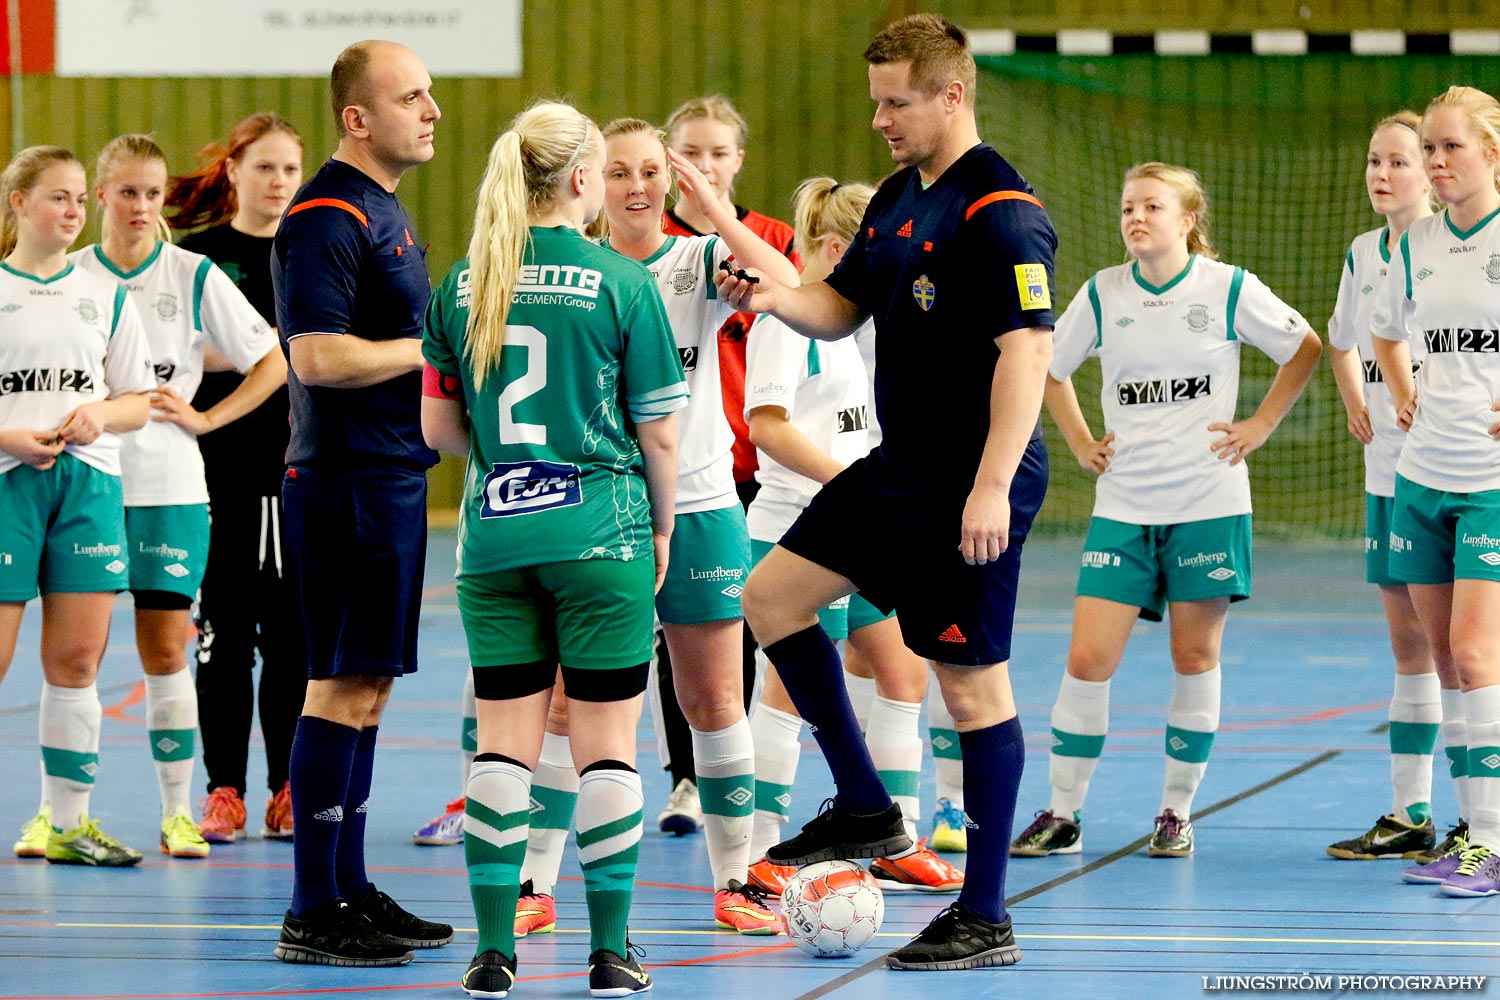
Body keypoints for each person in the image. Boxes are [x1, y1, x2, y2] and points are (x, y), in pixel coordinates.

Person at [719, 14, 1055, 970]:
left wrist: (990, 487)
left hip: (966, 485)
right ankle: (865, 803)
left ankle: (985, 915)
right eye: (876, 103)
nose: (880, 121)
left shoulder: (1003, 212)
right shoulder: (901, 199)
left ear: (953, 96)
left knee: (969, 688)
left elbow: (1025, 353)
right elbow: (835, 307)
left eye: (895, 103)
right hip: (897, 471)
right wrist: (767, 292)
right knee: (771, 598)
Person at [422, 99, 685, 998]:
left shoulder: (462, 283)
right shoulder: (623, 282)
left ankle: (492, 953)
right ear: (582, 180)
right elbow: (660, 432)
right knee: (608, 746)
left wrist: (508, 452)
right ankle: (610, 952)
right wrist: (661, 527)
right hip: (600, 534)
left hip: (493, 539)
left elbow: (440, 428)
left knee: (503, 750)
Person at [1009, 162, 1321, 860]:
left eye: (1153, 205)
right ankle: (1063, 813)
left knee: (1194, 653)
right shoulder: (1102, 293)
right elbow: (1048, 370)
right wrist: (1083, 439)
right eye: (1128, 207)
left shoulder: (1228, 288)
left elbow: (1305, 348)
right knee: (1088, 657)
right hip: (1123, 505)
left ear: (1188, 220)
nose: (1136, 217)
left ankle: (1176, 812)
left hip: (1207, 502)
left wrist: (1260, 425)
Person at [269, 39, 452, 965]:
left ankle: (346, 884)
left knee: (370, 686)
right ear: (357, 118)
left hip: (391, 474)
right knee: (339, 684)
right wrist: (432, 353)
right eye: (412, 97)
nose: (432, 111)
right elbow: (315, 357)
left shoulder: (386, 212)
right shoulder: (328, 218)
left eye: (430, 95)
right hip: (343, 484)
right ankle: (311, 909)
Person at [598, 116, 799, 935]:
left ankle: (737, 881)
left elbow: (784, 275)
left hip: (706, 501)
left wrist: (713, 206)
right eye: (619, 173)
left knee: (716, 695)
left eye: (652, 171)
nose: (639, 187)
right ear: (591, 182)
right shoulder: (579, 268)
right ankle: (536, 885)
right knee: (576, 707)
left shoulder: (695, 261)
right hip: (602, 503)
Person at [740, 176, 963, 897]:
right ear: (839, 250)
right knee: (787, 691)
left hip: (863, 527)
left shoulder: (864, 326)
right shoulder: (785, 326)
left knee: (902, 672)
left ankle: (890, 834)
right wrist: (849, 484)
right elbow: (767, 425)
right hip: (798, 528)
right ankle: (762, 854)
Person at [69, 134, 287, 860]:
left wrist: (206, 419)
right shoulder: (66, 279)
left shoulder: (192, 274)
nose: (139, 206)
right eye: (126, 191)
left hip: (169, 484)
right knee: (78, 655)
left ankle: (180, 810)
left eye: (152, 193)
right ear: (100, 195)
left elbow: (272, 361)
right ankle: (65, 816)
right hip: (86, 485)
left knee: (171, 646)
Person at [651, 96, 800, 833]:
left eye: (717, 152)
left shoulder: (767, 241)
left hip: (755, 470)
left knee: (735, 627)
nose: (703, 165)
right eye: (690, 152)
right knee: (668, 634)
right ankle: (684, 777)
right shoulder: (647, 245)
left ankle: (740, 786)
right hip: (662, 471)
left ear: (738, 159)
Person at [1, 146, 152, 866]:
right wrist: (8, 436)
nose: (70, 211)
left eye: (74, 200)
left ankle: (68, 823)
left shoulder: (104, 296)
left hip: (86, 483)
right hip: (8, 481)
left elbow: (137, 400)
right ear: (18, 204)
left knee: (77, 659)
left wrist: (100, 414)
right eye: (55, 197)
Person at [1373, 84, 1500, 897]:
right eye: (1432, 149)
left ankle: (1491, 842)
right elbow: (1385, 330)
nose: (1435, 161)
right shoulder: (1415, 244)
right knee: (1449, 665)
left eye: (1450, 147)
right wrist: (1401, 391)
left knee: (1478, 652)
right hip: (1422, 476)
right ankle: (1470, 836)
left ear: (1491, 153)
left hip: (1491, 484)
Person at [166, 113, 307, 845]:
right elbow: (184, 357)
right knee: (221, 636)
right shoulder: (199, 259)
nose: (279, 182)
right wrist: (248, 357)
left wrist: (247, 353)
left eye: (290, 169)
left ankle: (288, 787)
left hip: (295, 474)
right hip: (215, 472)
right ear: (234, 173)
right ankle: (225, 790)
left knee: (291, 639)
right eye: (264, 168)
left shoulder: (316, 252)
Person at [1326, 113, 1449, 862]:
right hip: (1389, 475)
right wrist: (1354, 402)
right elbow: (1341, 339)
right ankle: (1412, 813)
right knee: (1410, 647)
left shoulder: (1454, 251)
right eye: (1374, 160)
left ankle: (1480, 817)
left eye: (1397, 160)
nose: (1382, 173)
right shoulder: (1365, 254)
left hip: (1457, 473)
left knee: (1466, 652)